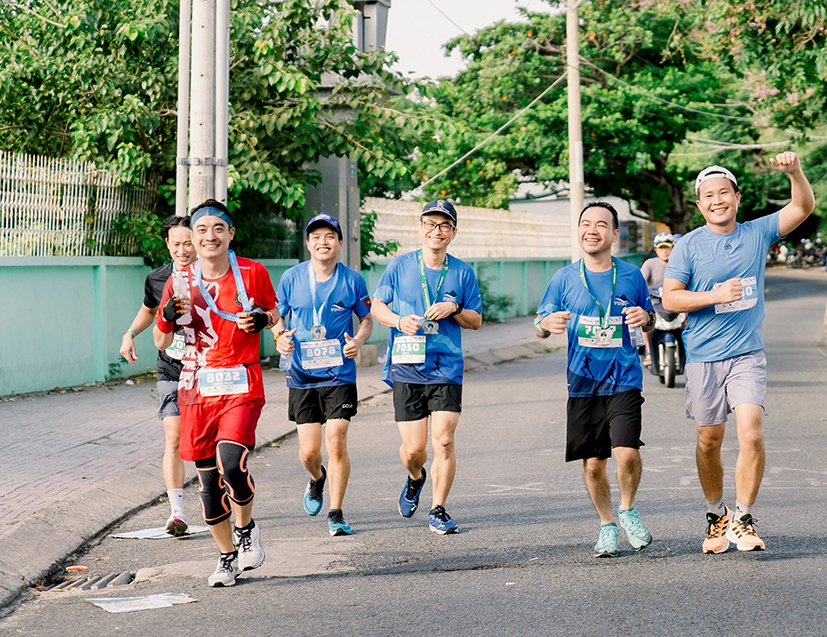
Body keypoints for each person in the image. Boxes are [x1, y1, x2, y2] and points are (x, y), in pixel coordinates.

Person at [662, 154, 815, 553]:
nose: (717, 200)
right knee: (708, 441)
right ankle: (717, 515)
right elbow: (670, 297)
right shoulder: (688, 246)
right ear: (700, 204)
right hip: (703, 356)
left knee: (752, 433)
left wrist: (795, 172)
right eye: (708, 195)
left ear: (736, 197)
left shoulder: (756, 232)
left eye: (723, 193)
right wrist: (714, 295)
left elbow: (802, 207)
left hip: (747, 353)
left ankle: (743, 519)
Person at [153, 199, 277, 587]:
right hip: (195, 389)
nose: (210, 236)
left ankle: (246, 529)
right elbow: (160, 338)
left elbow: (274, 313)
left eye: (218, 229)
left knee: (231, 463)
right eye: (201, 230)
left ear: (230, 235)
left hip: (241, 381)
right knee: (207, 483)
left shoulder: (252, 272)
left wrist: (262, 319)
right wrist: (168, 316)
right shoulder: (179, 282)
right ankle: (226, 558)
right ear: (192, 236)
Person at [535, 201, 656, 558]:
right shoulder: (564, 278)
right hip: (583, 381)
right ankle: (607, 525)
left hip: (624, 378)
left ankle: (628, 509)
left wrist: (644, 316)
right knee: (593, 464)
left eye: (601, 224)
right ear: (578, 232)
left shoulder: (631, 275)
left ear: (614, 234)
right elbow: (541, 323)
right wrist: (546, 325)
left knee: (627, 453)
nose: (592, 229)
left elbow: (649, 318)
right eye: (585, 223)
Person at [370, 200, 482, 534]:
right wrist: (398, 320)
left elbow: (475, 320)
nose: (437, 231)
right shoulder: (400, 266)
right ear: (421, 228)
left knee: (444, 441)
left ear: (453, 233)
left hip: (446, 366)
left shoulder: (462, 272)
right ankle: (415, 476)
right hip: (407, 365)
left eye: (444, 226)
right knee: (414, 449)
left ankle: (439, 508)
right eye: (431, 224)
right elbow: (377, 306)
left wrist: (454, 308)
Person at [273, 213, 373, 537]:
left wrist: (357, 341)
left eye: (330, 236)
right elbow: (277, 316)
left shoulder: (352, 280)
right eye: (316, 236)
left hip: (340, 374)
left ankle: (336, 512)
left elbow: (367, 320)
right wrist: (280, 337)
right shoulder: (291, 277)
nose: (323, 242)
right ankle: (317, 478)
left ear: (340, 243)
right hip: (302, 374)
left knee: (337, 441)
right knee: (309, 453)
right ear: (307, 243)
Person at [119, 215, 195, 536]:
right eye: (176, 243)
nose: (182, 249)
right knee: (173, 436)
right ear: (167, 244)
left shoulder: (211, 277)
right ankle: (177, 511)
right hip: (170, 365)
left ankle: (219, 495)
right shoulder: (156, 279)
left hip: (205, 367)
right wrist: (130, 333)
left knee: (209, 440)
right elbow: (149, 310)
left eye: (188, 243)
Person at [639, 232, 675, 366]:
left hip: (674, 304)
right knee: (645, 321)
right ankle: (648, 351)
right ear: (656, 250)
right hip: (653, 304)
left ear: (673, 248)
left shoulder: (677, 264)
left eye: (667, 247)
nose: (664, 251)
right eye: (661, 248)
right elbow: (641, 281)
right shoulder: (649, 264)